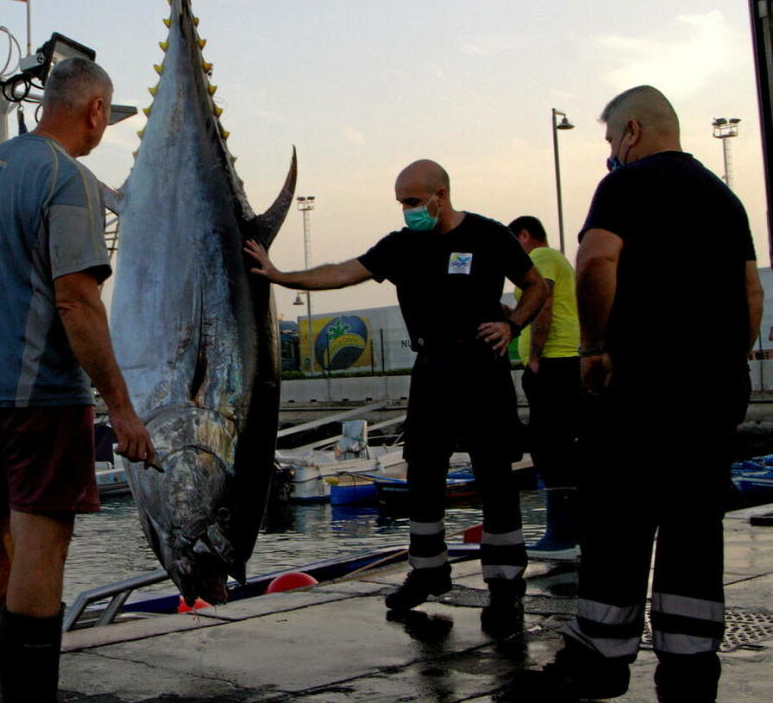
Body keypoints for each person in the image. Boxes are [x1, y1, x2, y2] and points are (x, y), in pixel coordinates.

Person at [0, 57, 157, 703]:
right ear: (95, 111)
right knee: (43, 544)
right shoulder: (67, 179)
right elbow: (76, 301)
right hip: (40, 397)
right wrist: (122, 409)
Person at [517, 86, 762, 702]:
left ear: (631, 132)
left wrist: (596, 349)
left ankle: (600, 657)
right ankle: (690, 667)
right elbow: (751, 292)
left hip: (639, 390)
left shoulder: (626, 185)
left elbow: (598, 262)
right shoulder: (725, 198)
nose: (609, 153)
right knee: (694, 529)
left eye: (608, 141)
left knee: (618, 520)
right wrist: (727, 361)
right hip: (711, 395)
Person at [245, 159, 546, 637]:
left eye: (412, 202)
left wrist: (513, 324)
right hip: (431, 368)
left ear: (439, 196)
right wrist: (281, 277)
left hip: (481, 367)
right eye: (401, 203)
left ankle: (506, 589)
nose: (406, 211)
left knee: (495, 476)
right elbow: (344, 272)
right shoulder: (401, 247)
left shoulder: (489, 236)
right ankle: (428, 571)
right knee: (423, 473)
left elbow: (535, 287)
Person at [506, 215, 583, 560]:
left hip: (552, 360)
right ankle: (569, 531)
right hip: (562, 359)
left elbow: (544, 304)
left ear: (523, 236)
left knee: (551, 445)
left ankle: (562, 536)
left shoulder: (540, 259)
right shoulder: (557, 258)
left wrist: (535, 355)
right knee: (559, 442)